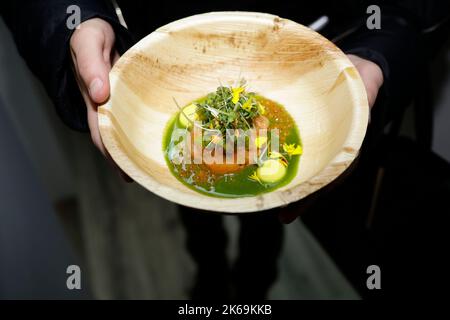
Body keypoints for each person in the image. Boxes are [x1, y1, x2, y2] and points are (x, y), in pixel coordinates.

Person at [2, 0, 447, 299]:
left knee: (271, 216)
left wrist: (380, 47)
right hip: (162, 48)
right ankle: (210, 277)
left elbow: (415, 9)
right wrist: (74, 18)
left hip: (317, 55)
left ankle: (255, 286)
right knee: (194, 204)